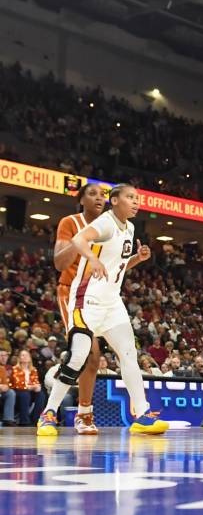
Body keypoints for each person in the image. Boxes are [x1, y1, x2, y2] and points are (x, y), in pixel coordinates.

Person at [36, 184, 168, 436]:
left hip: (112, 302)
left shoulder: (128, 227)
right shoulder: (106, 222)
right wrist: (92, 258)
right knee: (79, 357)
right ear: (115, 200)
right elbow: (78, 239)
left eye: (137, 198)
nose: (136, 202)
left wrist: (137, 259)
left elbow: (116, 266)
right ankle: (48, 412)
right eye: (130, 197)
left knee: (129, 354)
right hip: (86, 299)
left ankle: (141, 414)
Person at [53, 182, 106, 435]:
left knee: (94, 358)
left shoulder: (109, 226)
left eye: (103, 195)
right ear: (81, 200)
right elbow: (59, 262)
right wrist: (80, 240)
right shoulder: (69, 222)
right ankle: (53, 411)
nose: (100, 198)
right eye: (93, 193)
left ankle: (84, 413)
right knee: (87, 353)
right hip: (71, 293)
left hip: (97, 296)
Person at [11, 349, 44, 426]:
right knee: (25, 394)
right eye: (23, 355)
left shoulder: (33, 370)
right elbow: (17, 384)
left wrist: (37, 387)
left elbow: (36, 382)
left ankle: (36, 419)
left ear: (30, 358)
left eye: (27, 355)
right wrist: (31, 387)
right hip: (18, 390)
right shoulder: (15, 369)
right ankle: (24, 421)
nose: (25, 357)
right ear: (19, 358)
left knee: (41, 394)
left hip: (30, 390)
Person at [0, 350, 13, 426]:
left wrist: (4, 387)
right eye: (1, 355)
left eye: (5, 355)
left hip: (1, 391)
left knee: (11, 393)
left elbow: (6, 385)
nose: (3, 357)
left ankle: (8, 419)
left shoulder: (2, 369)